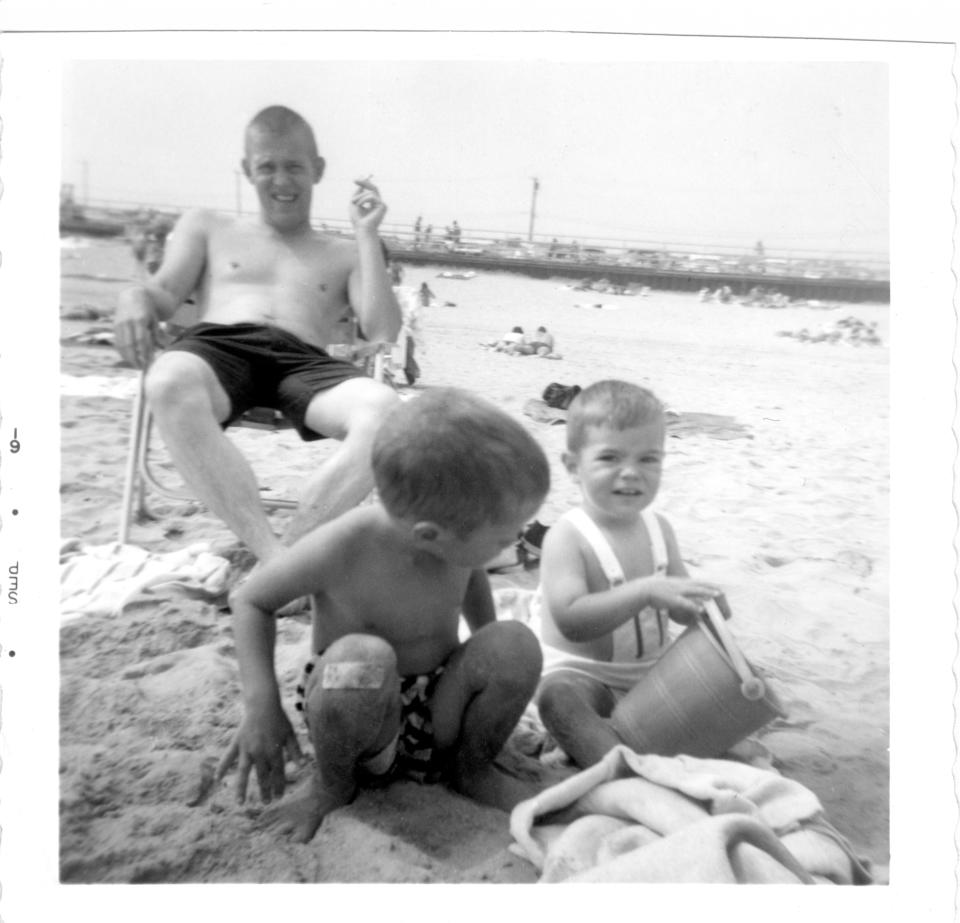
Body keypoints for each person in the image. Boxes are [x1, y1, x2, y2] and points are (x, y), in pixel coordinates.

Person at [217, 388, 552, 842]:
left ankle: (471, 770)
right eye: (504, 537)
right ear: (430, 534)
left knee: (515, 642)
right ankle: (333, 785)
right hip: (363, 717)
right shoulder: (345, 544)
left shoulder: (456, 543)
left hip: (439, 709)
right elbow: (251, 601)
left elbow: (471, 577)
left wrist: (488, 656)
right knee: (361, 659)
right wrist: (262, 706)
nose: (513, 544)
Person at [113, 106, 402, 564]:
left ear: (318, 170)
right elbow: (164, 293)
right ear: (248, 169)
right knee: (166, 380)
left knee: (388, 413)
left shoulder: (345, 251)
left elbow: (383, 329)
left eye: (294, 167)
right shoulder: (207, 227)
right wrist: (134, 298)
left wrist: (367, 235)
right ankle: (275, 558)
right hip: (218, 348)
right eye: (267, 166)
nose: (281, 180)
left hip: (305, 362)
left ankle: (291, 550)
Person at [534, 380, 730, 769]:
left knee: (723, 690)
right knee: (559, 699)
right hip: (588, 677)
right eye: (610, 458)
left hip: (652, 678)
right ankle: (622, 768)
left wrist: (703, 605)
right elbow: (572, 620)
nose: (631, 473)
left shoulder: (659, 529)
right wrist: (644, 591)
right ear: (573, 466)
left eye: (648, 459)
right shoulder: (568, 536)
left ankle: (629, 747)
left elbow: (678, 609)